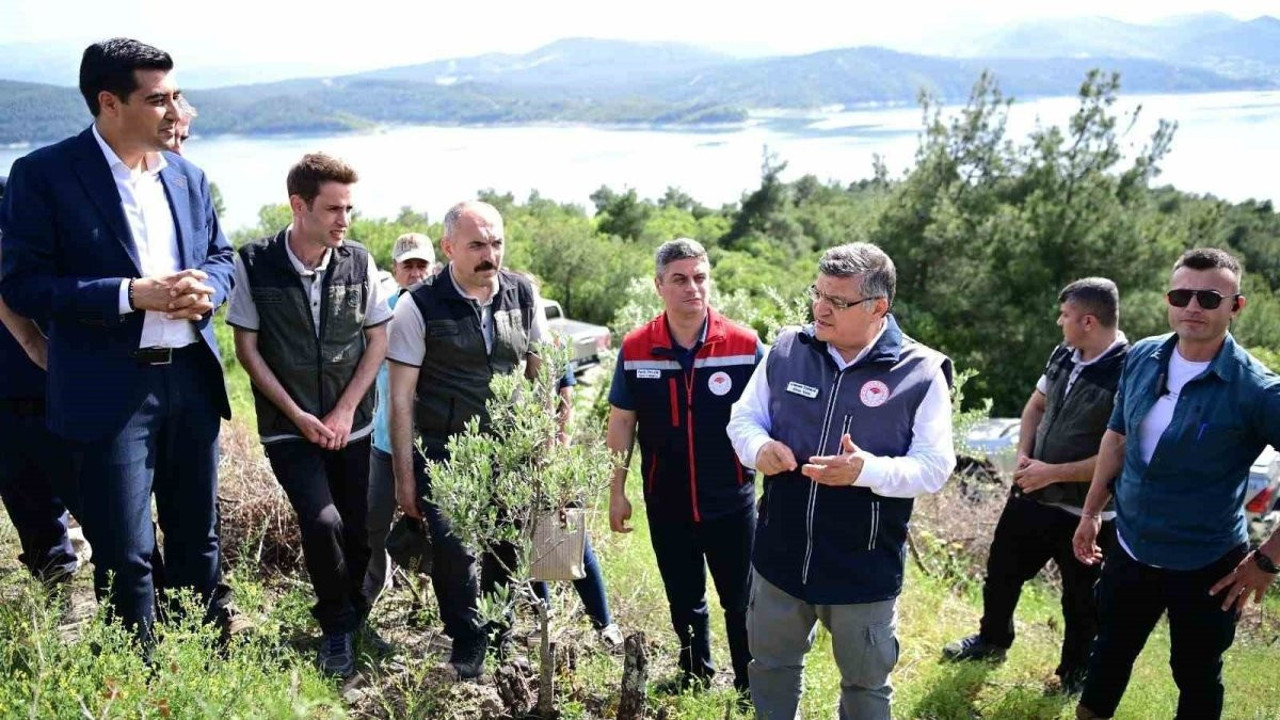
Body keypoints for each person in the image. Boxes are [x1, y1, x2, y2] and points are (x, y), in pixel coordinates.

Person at [0, 38, 234, 640]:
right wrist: (130, 294)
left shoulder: (187, 175)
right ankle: (139, 678)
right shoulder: (43, 175)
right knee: (126, 553)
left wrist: (208, 287)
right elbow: (23, 286)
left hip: (191, 379)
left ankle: (202, 665)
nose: (176, 112)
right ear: (109, 102)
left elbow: (221, 255)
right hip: (109, 391)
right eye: (158, 100)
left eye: (176, 96)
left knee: (198, 540)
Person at [727, 242, 955, 720]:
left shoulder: (921, 371)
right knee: (770, 668)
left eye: (837, 301)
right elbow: (743, 419)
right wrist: (759, 448)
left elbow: (935, 467)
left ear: (878, 307)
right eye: (818, 294)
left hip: (863, 567)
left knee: (865, 687)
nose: (820, 309)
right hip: (780, 555)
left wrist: (866, 471)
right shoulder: (788, 348)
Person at [1072, 248, 1280, 720]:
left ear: (1236, 307)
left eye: (1209, 298)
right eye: (1181, 295)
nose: (1193, 307)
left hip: (1207, 562)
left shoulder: (1257, 389)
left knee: (1196, 672)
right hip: (1131, 545)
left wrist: (1268, 559)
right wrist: (1091, 512)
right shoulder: (1143, 355)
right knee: (1109, 651)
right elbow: (1116, 437)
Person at [228, 153, 391, 677]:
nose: (345, 220)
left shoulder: (359, 261)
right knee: (323, 523)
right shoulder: (254, 262)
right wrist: (298, 415)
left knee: (360, 530)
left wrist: (344, 411)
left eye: (349, 208)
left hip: (353, 426)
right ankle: (337, 627)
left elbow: (378, 339)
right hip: (288, 429)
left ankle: (355, 615)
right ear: (299, 206)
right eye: (333, 209)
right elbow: (247, 350)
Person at [387, 199, 552, 680]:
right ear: (448, 248)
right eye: (477, 245)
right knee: (454, 550)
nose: (490, 255)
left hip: (511, 448)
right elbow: (400, 399)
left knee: (507, 546)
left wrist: (542, 448)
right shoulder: (418, 305)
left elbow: (541, 377)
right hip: (445, 450)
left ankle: (500, 633)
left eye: (496, 243)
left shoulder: (523, 295)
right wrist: (404, 479)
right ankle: (467, 638)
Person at [943, 278, 1128, 694]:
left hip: (1088, 512)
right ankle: (992, 641)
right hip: (1032, 495)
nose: (1059, 322)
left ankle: (1074, 675)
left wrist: (1053, 472)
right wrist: (1025, 458)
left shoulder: (1129, 372)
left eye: (1065, 315)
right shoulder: (1064, 352)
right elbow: (1035, 406)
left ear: (1088, 321)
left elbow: (1119, 455)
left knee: (1082, 601)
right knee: (1001, 573)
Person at [607, 238, 762, 694]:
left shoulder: (745, 345)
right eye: (679, 279)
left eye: (699, 277)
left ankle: (750, 683)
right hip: (666, 498)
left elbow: (774, 419)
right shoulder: (637, 347)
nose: (692, 287)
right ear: (659, 285)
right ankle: (696, 674)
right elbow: (622, 421)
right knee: (684, 597)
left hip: (731, 499)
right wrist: (617, 491)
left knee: (741, 599)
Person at [0, 176, 80, 587]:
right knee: (29, 505)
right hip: (11, 397)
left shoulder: (17, 195)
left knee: (101, 502)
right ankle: (57, 586)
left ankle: (140, 595)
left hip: (52, 380)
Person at [364, 232, 436, 605]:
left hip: (433, 444)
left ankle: (438, 603)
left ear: (434, 267)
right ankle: (370, 592)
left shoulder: (442, 310)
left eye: (421, 264)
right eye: (408, 265)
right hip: (385, 441)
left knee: (440, 528)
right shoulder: (380, 313)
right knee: (373, 524)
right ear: (395, 269)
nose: (415, 272)